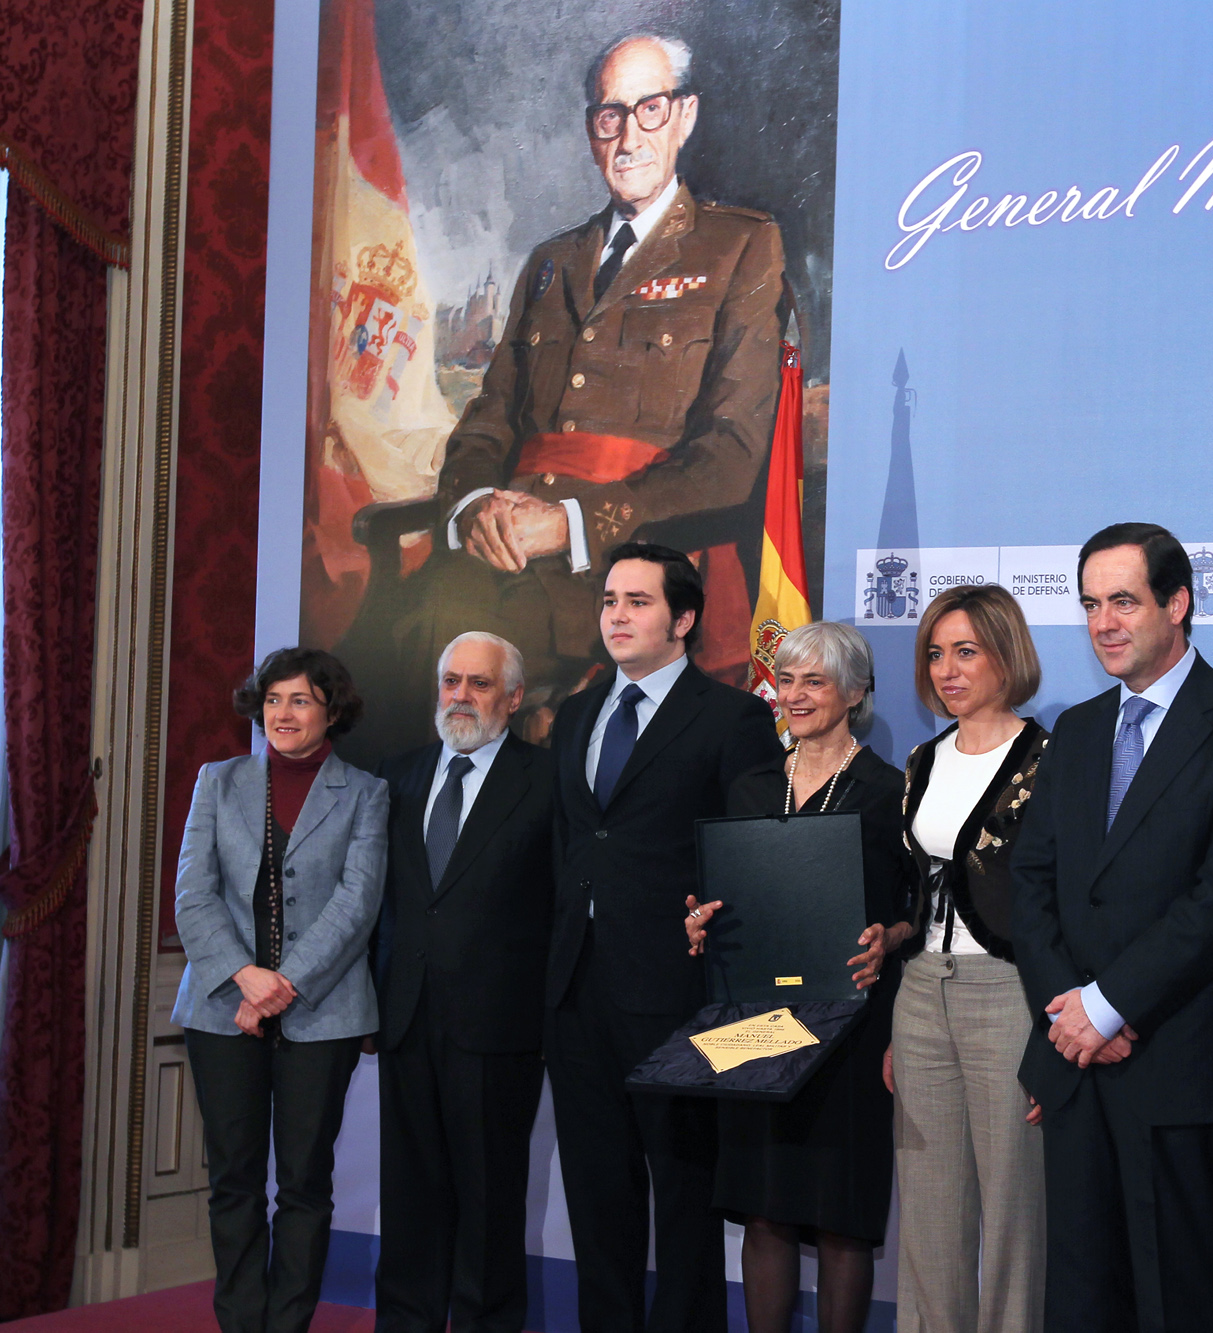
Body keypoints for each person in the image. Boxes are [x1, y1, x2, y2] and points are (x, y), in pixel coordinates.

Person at [341, 29, 789, 756]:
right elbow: (486, 424)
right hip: (498, 554)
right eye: (610, 116)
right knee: (380, 659)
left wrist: (571, 524)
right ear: (591, 130)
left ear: (685, 117)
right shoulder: (552, 261)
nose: (628, 138)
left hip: (624, 565)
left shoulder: (739, 246)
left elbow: (731, 456)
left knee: (470, 667)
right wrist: (472, 507)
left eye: (649, 110)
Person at [1010, 522, 1213, 1333]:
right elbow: (1030, 882)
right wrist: (1069, 1012)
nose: (1103, 623)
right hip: (1074, 1060)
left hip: (1177, 1058)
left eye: (1124, 601)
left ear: (1177, 603)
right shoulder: (1075, 729)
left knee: (1179, 1297)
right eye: (1090, 604)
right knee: (1079, 1297)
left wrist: (1109, 1007)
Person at [544, 540, 784, 1333]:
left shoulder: (733, 716)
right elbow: (569, 845)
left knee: (684, 1203)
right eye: (610, 599)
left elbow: (752, 849)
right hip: (577, 992)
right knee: (596, 1199)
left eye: (637, 601)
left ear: (683, 619)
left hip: (678, 994)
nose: (616, 615)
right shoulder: (577, 712)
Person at [684, 621, 914, 1333]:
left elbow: (921, 907)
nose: (796, 695)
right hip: (758, 1024)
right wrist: (701, 923)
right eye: (786, 680)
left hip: (852, 1026)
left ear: (855, 691)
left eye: (815, 681)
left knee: (842, 1216)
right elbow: (723, 896)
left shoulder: (890, 790)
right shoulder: (750, 786)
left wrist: (892, 937)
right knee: (765, 1209)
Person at [170, 648, 388, 1333]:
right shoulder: (218, 781)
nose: (282, 713)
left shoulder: (367, 793)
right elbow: (192, 893)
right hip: (220, 1010)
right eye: (272, 699)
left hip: (323, 1014)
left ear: (331, 710)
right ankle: (241, 1322)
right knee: (232, 1181)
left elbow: (358, 903)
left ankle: (288, 1324)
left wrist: (285, 984)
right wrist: (245, 975)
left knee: (304, 1185)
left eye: (299, 700)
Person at [372, 632, 557, 1333]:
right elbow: (381, 901)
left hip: (499, 1025)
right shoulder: (399, 774)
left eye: (479, 684)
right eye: (451, 681)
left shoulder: (547, 779)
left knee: (488, 1201)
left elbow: (563, 902)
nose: (460, 696)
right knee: (408, 1196)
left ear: (513, 698)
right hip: (406, 1017)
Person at [889, 585, 1050, 1333]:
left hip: (1010, 993)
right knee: (928, 1208)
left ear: (1005, 655)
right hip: (923, 989)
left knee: (1015, 1208)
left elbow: (1065, 903)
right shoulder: (922, 759)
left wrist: (1053, 1031)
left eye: (965, 651)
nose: (947, 670)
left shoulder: (1051, 759)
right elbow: (918, 889)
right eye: (935, 653)